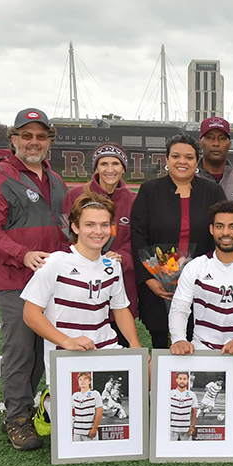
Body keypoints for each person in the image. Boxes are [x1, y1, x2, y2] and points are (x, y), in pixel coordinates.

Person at [0, 107, 69, 452]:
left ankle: (21, 409)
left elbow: (66, 228)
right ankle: (16, 418)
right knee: (21, 350)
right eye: (26, 135)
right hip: (15, 279)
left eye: (41, 136)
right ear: (13, 139)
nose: (33, 142)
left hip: (50, 280)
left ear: (49, 141)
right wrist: (22, 254)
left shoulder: (55, 180)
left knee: (43, 350)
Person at [168, 201, 233, 416]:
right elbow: (180, 308)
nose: (226, 232)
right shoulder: (196, 266)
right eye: (220, 226)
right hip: (203, 349)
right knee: (199, 419)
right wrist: (178, 338)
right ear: (211, 229)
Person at [22, 191, 143, 369]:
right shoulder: (55, 262)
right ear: (75, 227)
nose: (98, 231)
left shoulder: (112, 265)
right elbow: (30, 314)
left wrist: (135, 345)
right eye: (90, 224)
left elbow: (120, 309)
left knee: (149, 375)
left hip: (107, 349)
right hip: (67, 355)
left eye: (104, 225)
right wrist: (67, 341)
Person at [130, 134, 226, 348]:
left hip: (202, 282)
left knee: (198, 338)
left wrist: (211, 275)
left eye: (189, 157)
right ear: (167, 159)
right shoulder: (149, 190)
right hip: (157, 285)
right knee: (160, 340)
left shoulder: (213, 191)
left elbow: (221, 233)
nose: (182, 161)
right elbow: (138, 236)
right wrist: (149, 278)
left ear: (197, 161)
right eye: (176, 156)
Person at [63, 143, 136, 340]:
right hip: (81, 283)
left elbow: (138, 240)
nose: (110, 169)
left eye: (115, 164)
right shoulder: (76, 195)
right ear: (96, 167)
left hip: (119, 283)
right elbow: (65, 235)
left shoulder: (133, 200)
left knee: (120, 342)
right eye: (104, 164)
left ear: (123, 168)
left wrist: (123, 256)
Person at [195, 117, 233, 205]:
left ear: (229, 144)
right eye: (210, 138)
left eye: (222, 138)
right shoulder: (187, 178)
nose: (216, 143)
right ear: (200, 143)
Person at [68, 372, 102, 443]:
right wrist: (72, 422)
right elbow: (67, 411)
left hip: (90, 432)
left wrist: (95, 428)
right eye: (80, 379)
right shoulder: (75, 395)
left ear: (89, 381)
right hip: (77, 432)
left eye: (85, 379)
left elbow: (99, 411)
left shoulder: (95, 394)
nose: (82, 381)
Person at [170, 371, 197, 440]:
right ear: (177, 380)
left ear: (187, 380)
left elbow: (194, 412)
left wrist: (193, 426)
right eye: (180, 378)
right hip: (172, 429)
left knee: (187, 447)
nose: (182, 381)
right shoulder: (170, 394)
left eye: (184, 379)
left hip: (186, 429)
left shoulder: (192, 395)